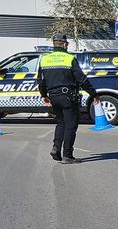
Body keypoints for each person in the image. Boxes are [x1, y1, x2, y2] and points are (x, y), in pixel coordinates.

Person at [37, 34, 96, 164]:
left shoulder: (44, 59)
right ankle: (67, 155)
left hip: (53, 97)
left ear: (54, 44)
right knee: (70, 125)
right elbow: (81, 79)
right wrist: (94, 94)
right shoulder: (69, 58)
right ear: (65, 44)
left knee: (61, 122)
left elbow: (41, 81)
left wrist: (44, 95)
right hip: (68, 97)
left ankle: (56, 148)